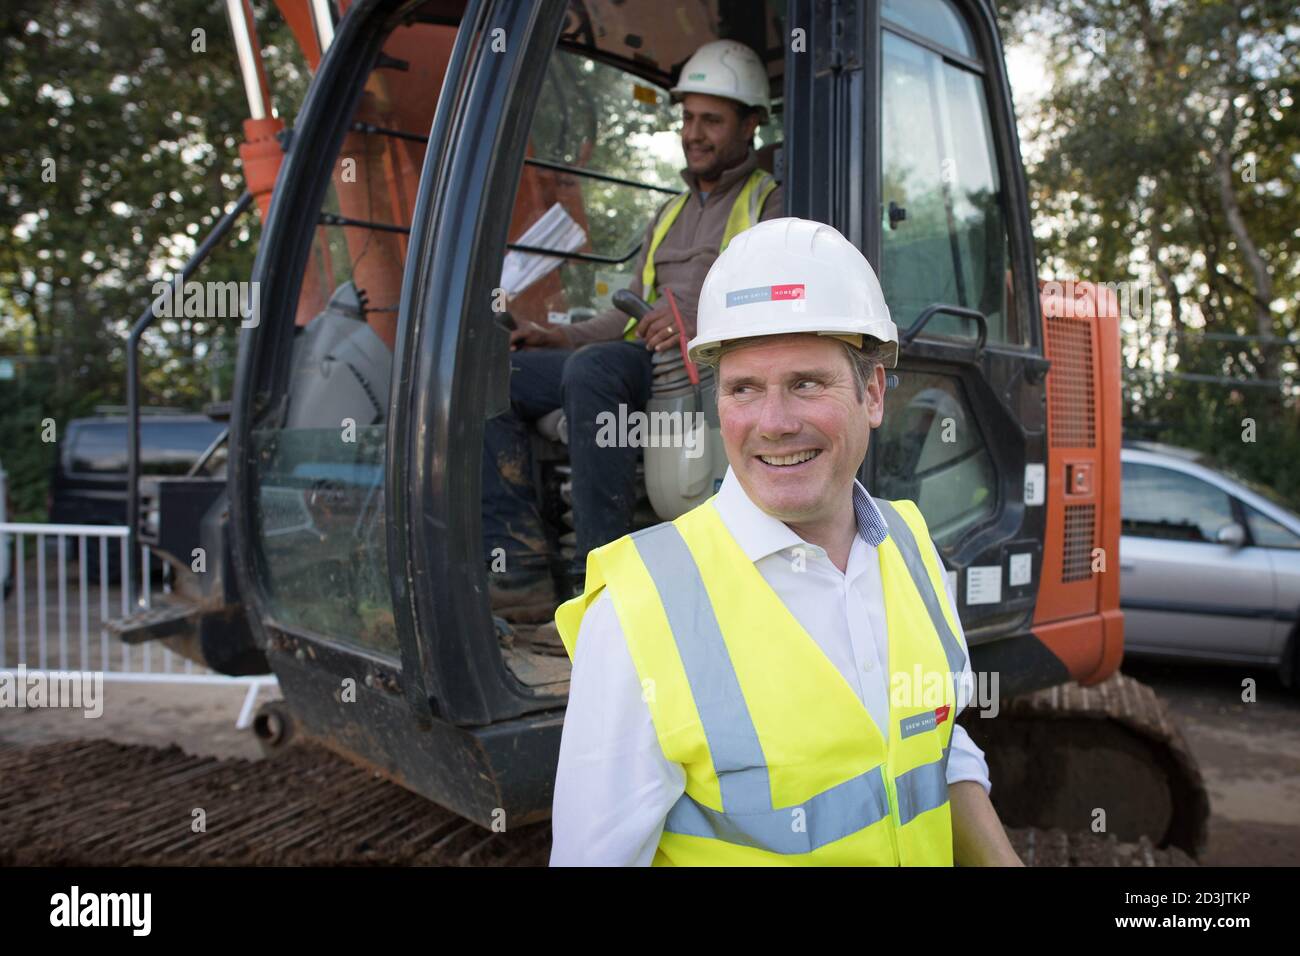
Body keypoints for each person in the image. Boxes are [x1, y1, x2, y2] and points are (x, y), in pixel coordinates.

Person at [550, 217, 1024, 866]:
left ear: (874, 393)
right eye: (744, 389)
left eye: (806, 383)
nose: (774, 423)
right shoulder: (638, 616)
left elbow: (938, 745)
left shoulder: (913, 551)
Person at [484, 39, 785, 619]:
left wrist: (702, 324)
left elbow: (778, 306)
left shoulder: (769, 206)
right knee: (501, 374)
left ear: (749, 126)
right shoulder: (668, 213)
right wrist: (557, 335)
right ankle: (517, 566)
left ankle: (599, 589)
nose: (693, 133)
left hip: (702, 365)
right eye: (687, 118)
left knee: (594, 371)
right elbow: (627, 309)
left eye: (711, 120)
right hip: (640, 355)